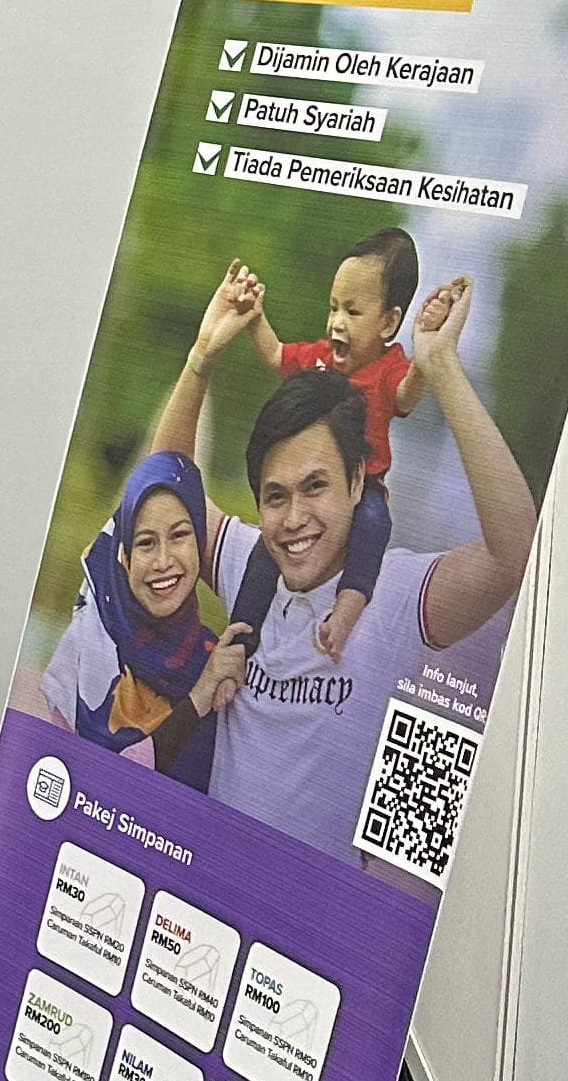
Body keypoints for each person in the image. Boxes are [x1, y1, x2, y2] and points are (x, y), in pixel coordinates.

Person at [143, 260, 536, 874]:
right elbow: (163, 492)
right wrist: (202, 358)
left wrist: (441, 367)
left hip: (322, 916)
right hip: (205, 891)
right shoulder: (249, 561)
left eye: (315, 487)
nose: (294, 519)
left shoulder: (398, 593)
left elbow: (513, 553)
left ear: (357, 482)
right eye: (276, 497)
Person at [239, 223, 450, 664]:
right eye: (334, 307)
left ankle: (348, 608)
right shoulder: (318, 358)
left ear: (388, 322)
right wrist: (255, 317)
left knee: (374, 521)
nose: (337, 322)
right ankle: (240, 636)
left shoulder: (390, 369)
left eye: (353, 311)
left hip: (363, 484)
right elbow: (276, 355)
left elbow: (407, 394)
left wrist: (428, 352)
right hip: (310, 481)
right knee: (265, 550)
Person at [18, 449, 248, 792]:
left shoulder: (216, 660)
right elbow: (91, 779)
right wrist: (198, 699)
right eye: (146, 543)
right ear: (124, 557)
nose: (163, 561)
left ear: (200, 543)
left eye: (179, 536)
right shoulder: (91, 648)